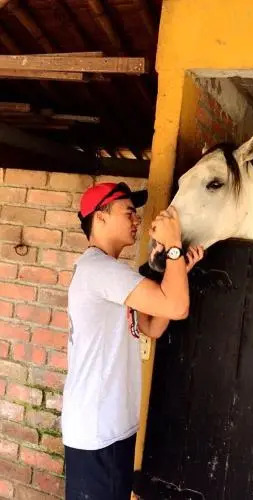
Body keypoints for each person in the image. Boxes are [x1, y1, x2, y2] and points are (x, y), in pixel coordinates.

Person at [61, 182, 204, 500]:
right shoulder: (100, 270)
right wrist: (174, 245)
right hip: (98, 433)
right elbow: (177, 306)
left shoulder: (110, 272)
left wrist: (176, 271)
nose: (137, 219)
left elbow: (152, 326)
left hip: (109, 428)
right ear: (100, 217)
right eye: (128, 212)